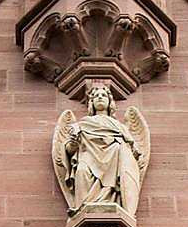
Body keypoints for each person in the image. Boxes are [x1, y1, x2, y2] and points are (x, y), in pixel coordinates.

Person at [53, 83, 150, 217]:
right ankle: (83, 208)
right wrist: (74, 143)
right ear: (91, 103)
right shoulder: (82, 124)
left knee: (118, 148)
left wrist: (125, 147)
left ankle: (114, 202)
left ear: (110, 102)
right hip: (87, 157)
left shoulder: (119, 126)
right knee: (81, 170)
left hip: (113, 161)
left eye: (103, 95)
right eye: (96, 96)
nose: (100, 98)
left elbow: (133, 150)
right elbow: (69, 151)